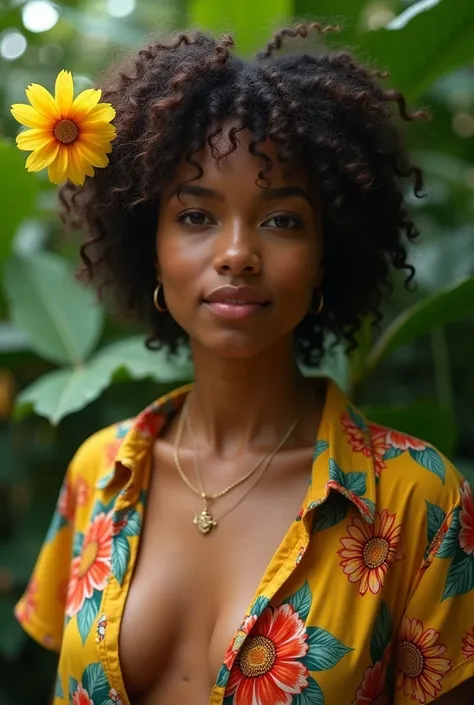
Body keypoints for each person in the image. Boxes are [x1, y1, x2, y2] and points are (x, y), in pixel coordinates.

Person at [14, 24, 474, 705]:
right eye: (196, 216)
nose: (236, 253)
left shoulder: (417, 502)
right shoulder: (99, 475)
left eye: (282, 220)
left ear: (327, 253)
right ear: (151, 246)